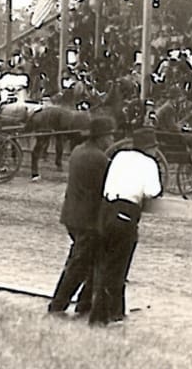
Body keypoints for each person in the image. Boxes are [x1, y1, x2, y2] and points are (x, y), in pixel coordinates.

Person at [89, 127, 163, 326]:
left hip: (105, 211)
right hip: (125, 213)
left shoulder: (120, 156)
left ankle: (115, 311)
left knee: (105, 263)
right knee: (117, 267)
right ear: (149, 148)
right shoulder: (149, 163)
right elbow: (153, 191)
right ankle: (100, 317)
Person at [50, 117, 115, 316]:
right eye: (110, 135)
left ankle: (83, 303)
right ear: (102, 137)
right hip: (88, 219)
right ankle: (59, 304)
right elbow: (107, 186)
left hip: (72, 214)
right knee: (81, 263)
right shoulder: (99, 158)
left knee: (89, 259)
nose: (112, 140)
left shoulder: (78, 151)